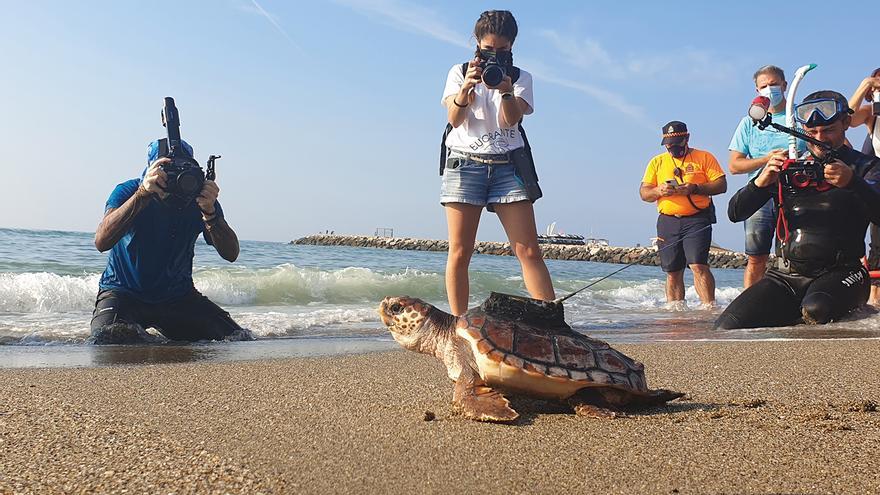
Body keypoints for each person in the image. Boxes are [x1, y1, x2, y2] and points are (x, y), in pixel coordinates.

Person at [716, 91, 880, 329]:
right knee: (727, 326)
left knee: (816, 310)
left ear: (846, 123)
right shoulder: (791, 168)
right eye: (812, 133)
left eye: (829, 130)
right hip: (785, 276)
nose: (820, 138)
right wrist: (760, 183)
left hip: (844, 273)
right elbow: (735, 213)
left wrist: (853, 182)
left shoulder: (866, 167)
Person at [440, 10, 554, 315]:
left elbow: (509, 121)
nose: (495, 56)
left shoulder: (520, 77)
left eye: (502, 51)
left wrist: (505, 89)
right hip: (464, 164)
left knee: (528, 250)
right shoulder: (458, 71)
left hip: (508, 167)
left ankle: (551, 322)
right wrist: (465, 88)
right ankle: (459, 325)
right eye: (488, 49)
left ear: (512, 46)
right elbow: (454, 118)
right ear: (477, 43)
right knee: (460, 251)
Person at [90, 139, 251, 344]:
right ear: (151, 169)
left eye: (183, 168)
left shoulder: (199, 199)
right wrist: (142, 195)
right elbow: (101, 242)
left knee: (239, 340)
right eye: (166, 169)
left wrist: (210, 214)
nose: (173, 177)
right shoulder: (129, 191)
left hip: (178, 297)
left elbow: (231, 254)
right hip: (123, 292)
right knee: (106, 340)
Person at [728, 65, 806, 288]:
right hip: (760, 194)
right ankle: (749, 303)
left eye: (773, 84)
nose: (769, 89)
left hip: (797, 194)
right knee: (756, 257)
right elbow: (734, 165)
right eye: (764, 86)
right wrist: (766, 160)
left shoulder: (801, 117)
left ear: (785, 85)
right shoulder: (749, 123)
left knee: (794, 255)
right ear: (756, 90)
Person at [639, 121, 727, 308]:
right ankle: (675, 309)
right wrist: (659, 191)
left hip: (697, 218)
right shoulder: (657, 162)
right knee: (672, 270)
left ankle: (709, 307)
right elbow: (644, 193)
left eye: (677, 144)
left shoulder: (704, 157)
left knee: (698, 265)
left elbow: (721, 185)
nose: (673, 149)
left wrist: (694, 188)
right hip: (668, 220)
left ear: (687, 138)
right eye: (669, 145)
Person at [848, 68, 880, 305]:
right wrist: (864, 85)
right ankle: (874, 309)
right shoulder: (872, 115)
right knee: (878, 246)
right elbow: (845, 120)